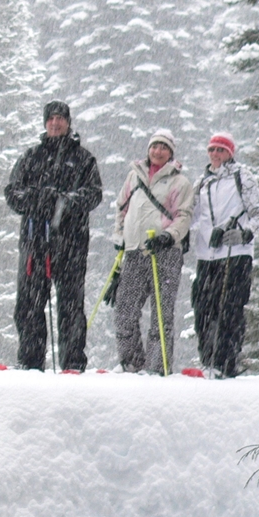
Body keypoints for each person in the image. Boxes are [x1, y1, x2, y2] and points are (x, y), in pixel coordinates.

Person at [4, 101, 103, 371]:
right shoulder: (31, 156)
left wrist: (64, 202)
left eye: (60, 119)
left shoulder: (83, 158)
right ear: (45, 123)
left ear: (68, 122)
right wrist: (34, 200)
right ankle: (30, 361)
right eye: (51, 119)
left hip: (71, 243)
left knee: (71, 306)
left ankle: (72, 362)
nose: (55, 123)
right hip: (35, 244)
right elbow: (12, 193)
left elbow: (94, 194)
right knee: (29, 305)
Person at [110, 129, 195, 374]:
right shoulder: (133, 177)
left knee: (161, 313)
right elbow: (121, 208)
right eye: (154, 146)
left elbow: (184, 215)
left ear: (171, 152)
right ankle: (132, 362)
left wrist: (169, 236)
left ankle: (158, 367)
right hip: (135, 251)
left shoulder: (180, 182)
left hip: (165, 253)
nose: (158, 151)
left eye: (163, 147)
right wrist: (120, 236)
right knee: (124, 311)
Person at [188, 133, 259, 378]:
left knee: (229, 310)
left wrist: (244, 234)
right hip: (207, 256)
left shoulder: (242, 176)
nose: (215, 154)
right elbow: (188, 215)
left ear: (230, 153)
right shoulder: (201, 182)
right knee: (203, 310)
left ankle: (226, 364)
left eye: (221, 150)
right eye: (212, 149)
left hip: (236, 254)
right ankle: (208, 362)